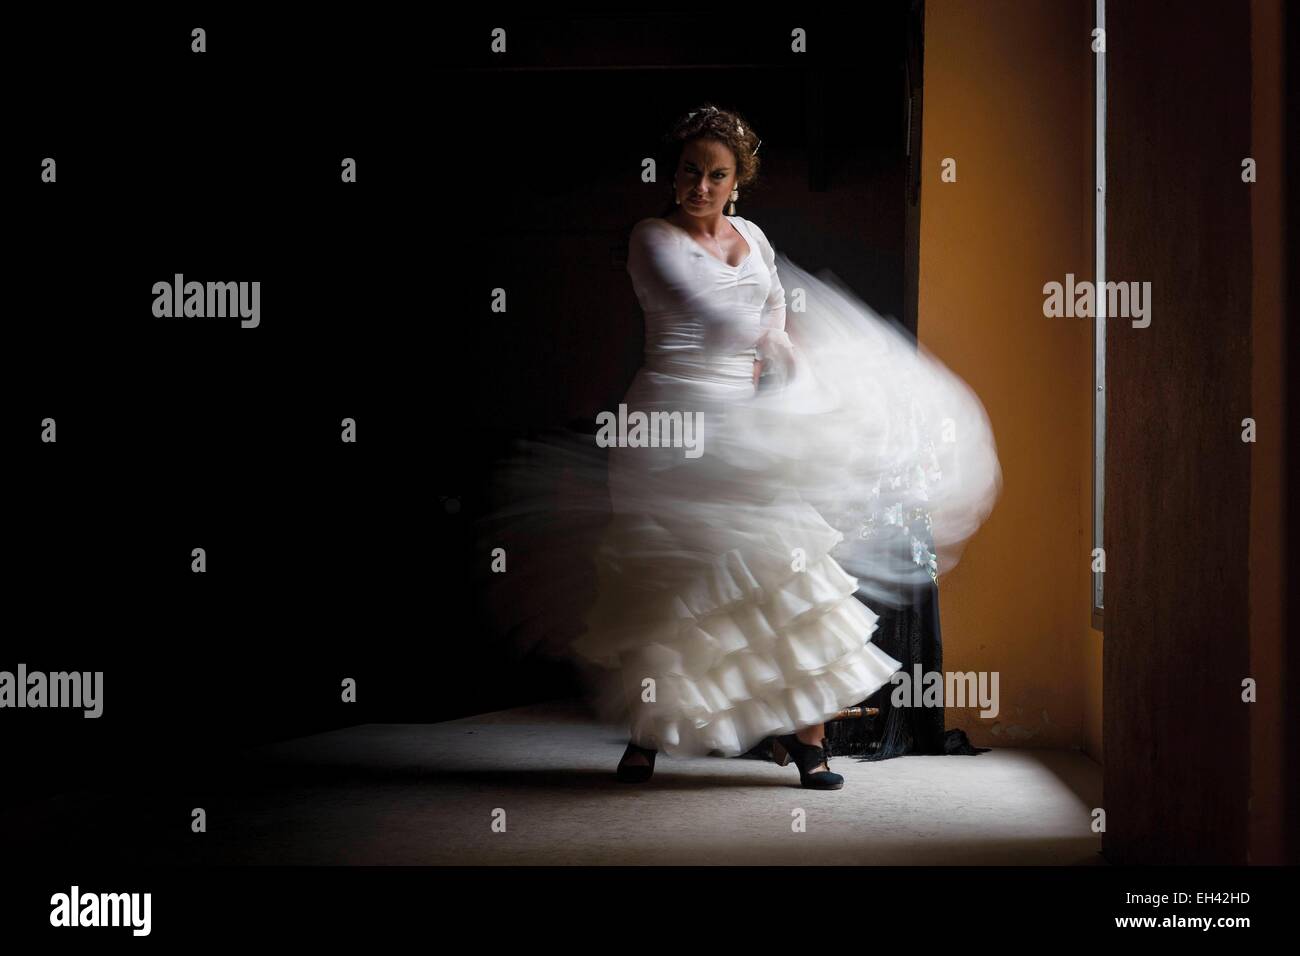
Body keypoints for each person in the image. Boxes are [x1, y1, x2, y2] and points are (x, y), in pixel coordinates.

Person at [479, 104, 1002, 791]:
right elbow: (711, 312)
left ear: (736, 182)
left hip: (744, 422)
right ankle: (646, 738)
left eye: (715, 175)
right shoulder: (650, 237)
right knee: (669, 580)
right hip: (670, 422)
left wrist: (800, 366)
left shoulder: (753, 236)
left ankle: (811, 743)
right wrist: (787, 343)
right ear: (672, 176)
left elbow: (773, 314)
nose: (699, 185)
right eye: (689, 172)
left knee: (786, 573)